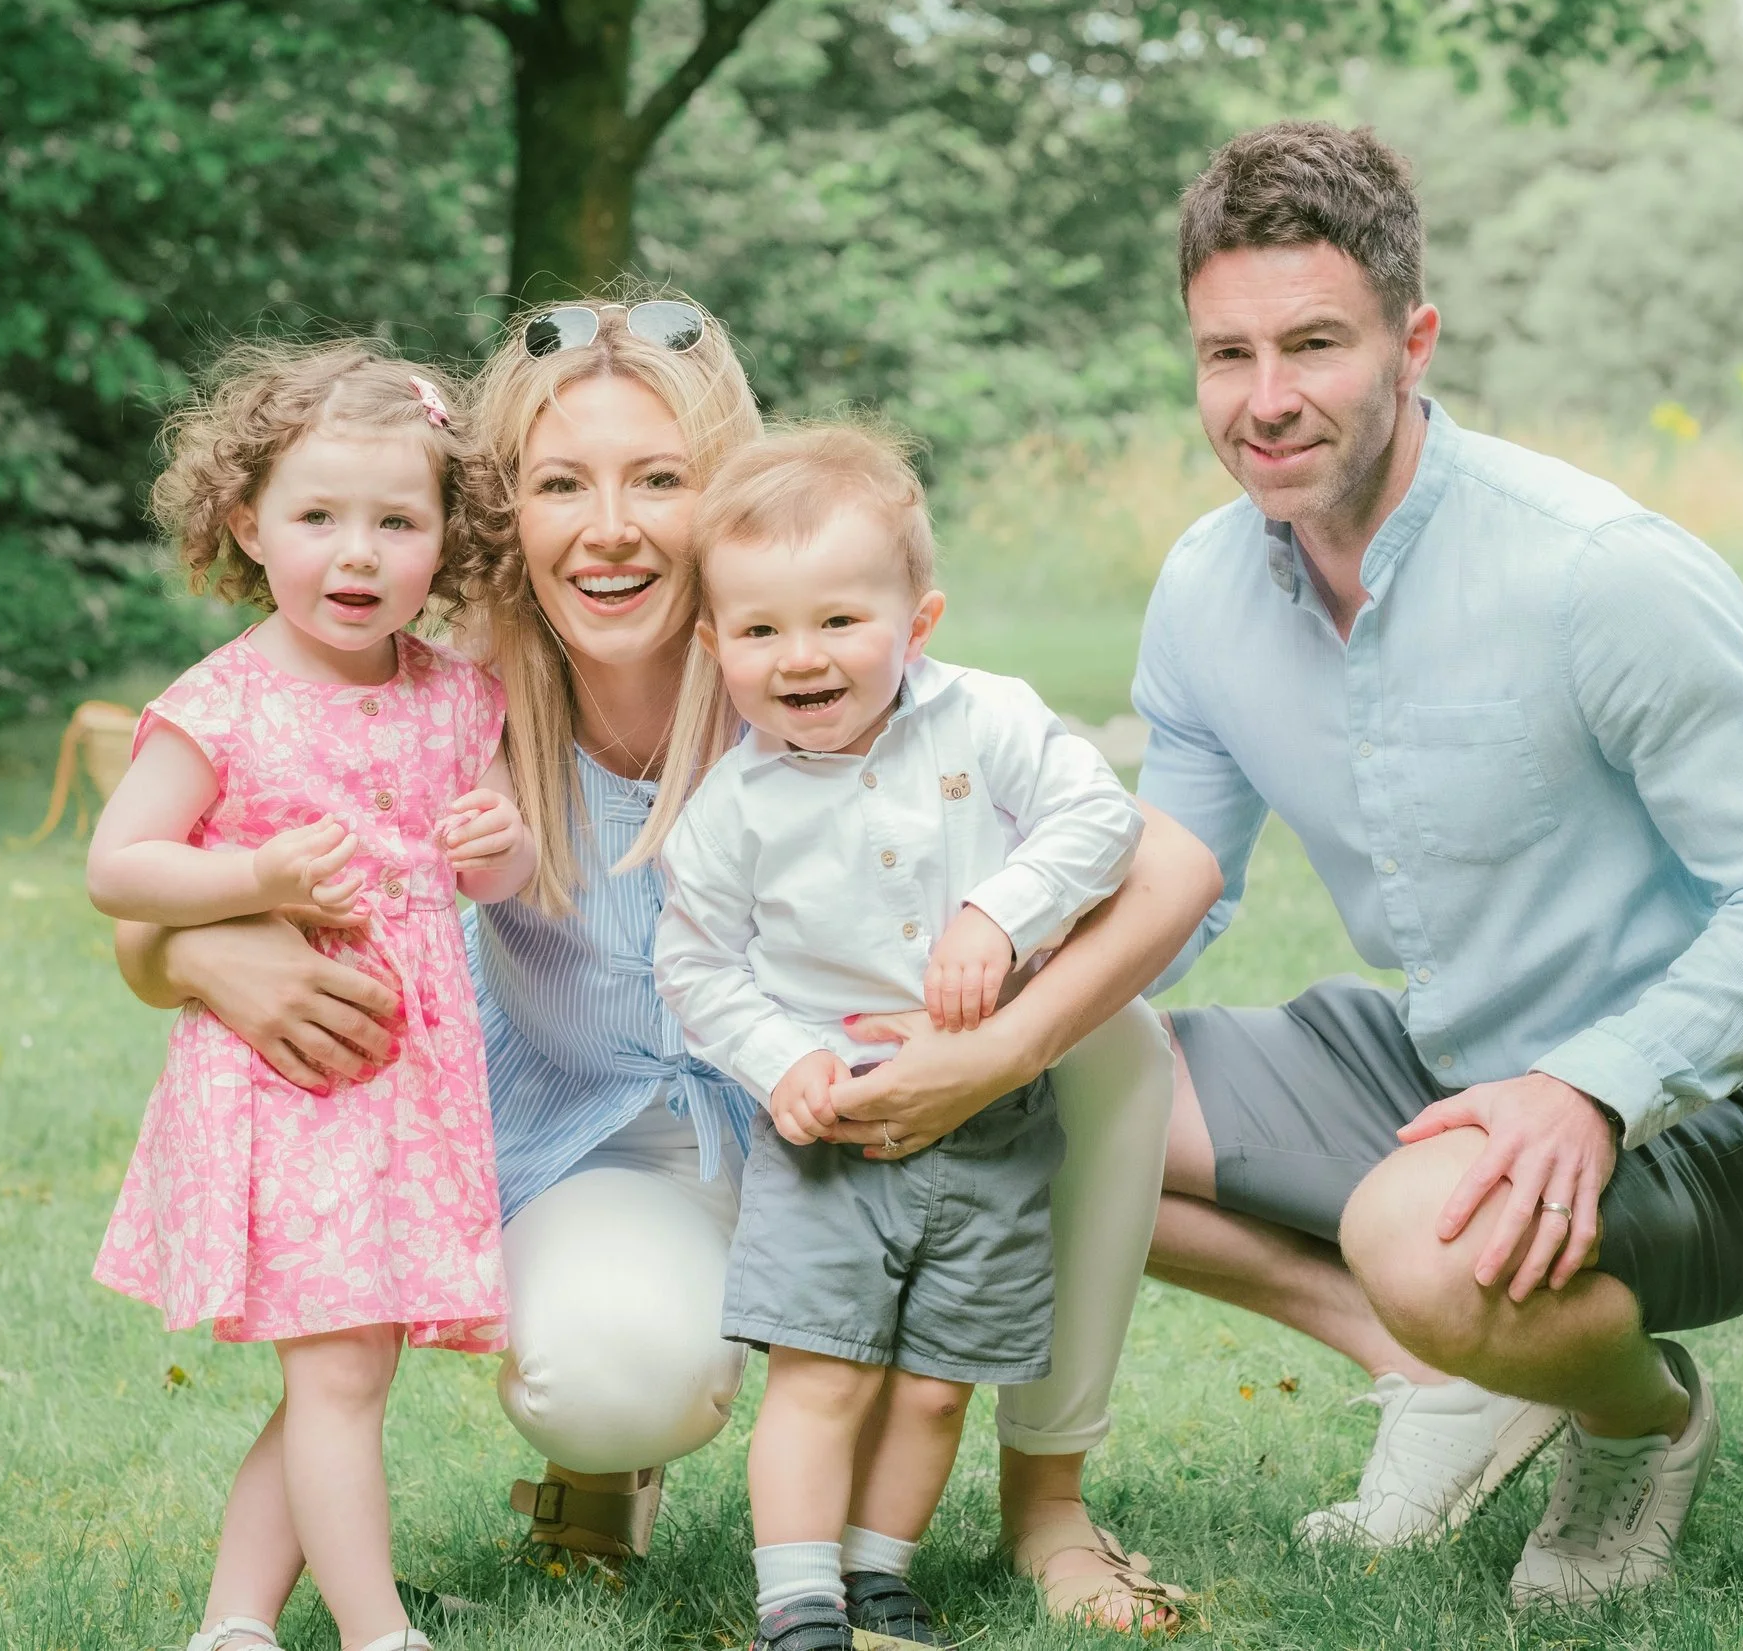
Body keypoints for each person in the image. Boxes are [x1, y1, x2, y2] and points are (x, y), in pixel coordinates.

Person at [113, 295, 1223, 1632]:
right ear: (501, 512)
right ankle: (606, 1455)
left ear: (729, 496)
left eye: (659, 479)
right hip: (600, 1137)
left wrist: (997, 1046)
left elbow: (1172, 864)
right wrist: (217, 952)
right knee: (612, 1374)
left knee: (1108, 1042)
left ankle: (1048, 1499)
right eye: (560, 485)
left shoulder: (810, 664)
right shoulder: (452, 693)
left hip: (841, 1105)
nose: (611, 528)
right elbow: (140, 910)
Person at [1133, 121, 1743, 1605]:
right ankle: (1443, 1366)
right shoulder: (1206, 586)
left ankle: (1636, 1417)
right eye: (1228, 354)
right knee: (1040, 1093)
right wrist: (976, 1001)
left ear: (1412, 342)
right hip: (1443, 1069)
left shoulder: (1597, 569)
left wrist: (1590, 1085)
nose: (1266, 400)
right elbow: (1168, 879)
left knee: (1421, 1229)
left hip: (1714, 1125)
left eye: (1314, 344)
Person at [644, 425, 1148, 1651]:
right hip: (831, 1132)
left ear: (916, 623)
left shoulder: (987, 719)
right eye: (760, 629)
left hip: (991, 1123)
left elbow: (1099, 818)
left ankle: (878, 1570)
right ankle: (797, 1598)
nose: (799, 656)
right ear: (714, 646)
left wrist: (999, 910)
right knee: (823, 1369)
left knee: (933, 1383)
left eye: (838, 620)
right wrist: (784, 1060)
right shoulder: (733, 808)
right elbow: (695, 963)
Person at [86, 342, 538, 1651]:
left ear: (446, 535)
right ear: (247, 522)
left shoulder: (459, 696)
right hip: (290, 1083)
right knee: (340, 1366)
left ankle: (235, 1618)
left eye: (397, 521)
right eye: (318, 516)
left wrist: (495, 844)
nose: (357, 553)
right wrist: (257, 875)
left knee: (347, 1364)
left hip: (410, 1088)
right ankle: (376, 1627)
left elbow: (494, 866)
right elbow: (119, 863)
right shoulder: (223, 703)